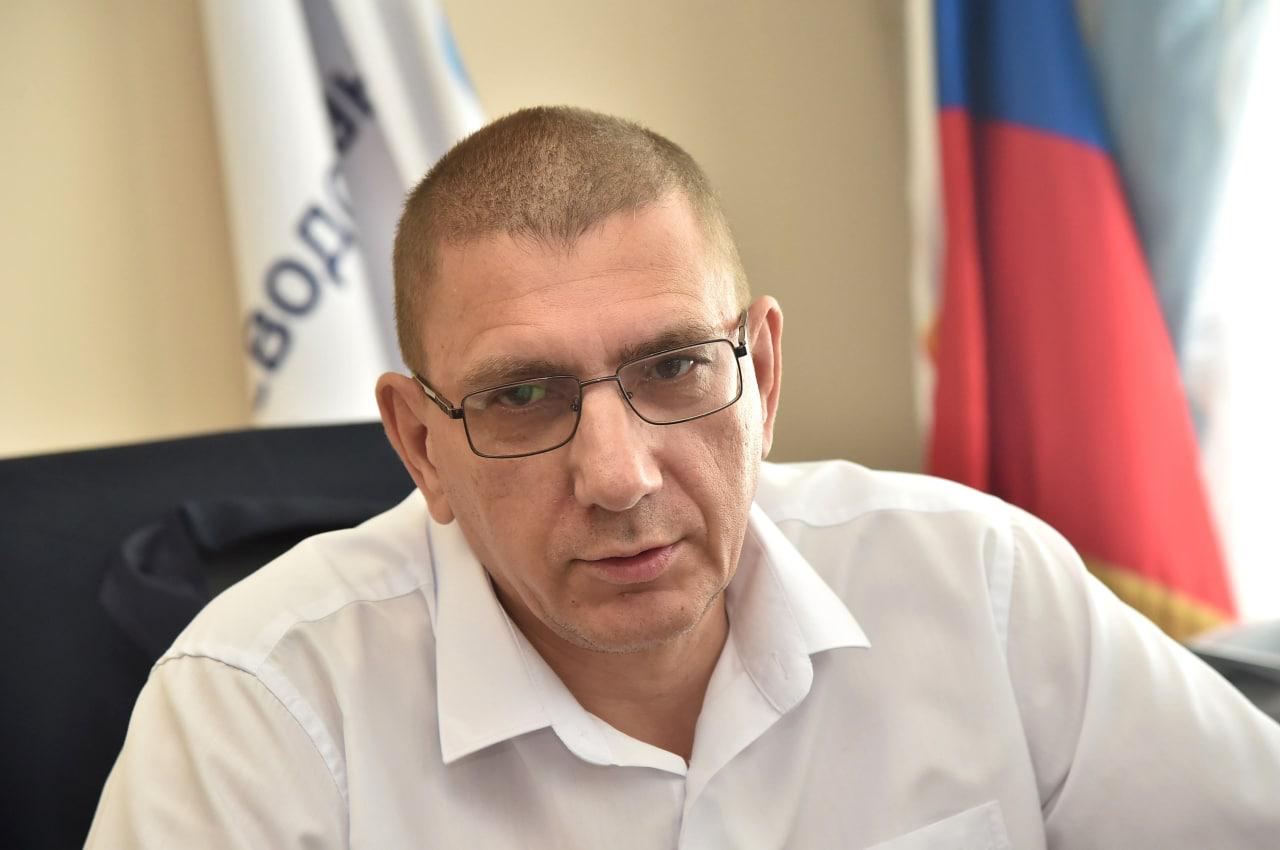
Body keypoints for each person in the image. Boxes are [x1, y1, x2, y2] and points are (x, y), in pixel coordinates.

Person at [86, 106, 1280, 849]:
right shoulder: (258, 710)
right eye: (522, 395)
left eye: (671, 368)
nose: (617, 476)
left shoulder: (975, 582)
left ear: (762, 370)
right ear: (419, 444)